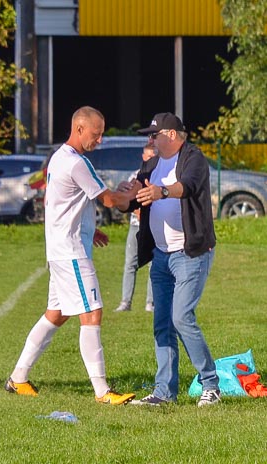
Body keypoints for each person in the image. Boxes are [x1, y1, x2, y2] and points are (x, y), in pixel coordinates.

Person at [5, 106, 136, 405]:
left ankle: (18, 378)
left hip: (62, 248)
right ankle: (102, 392)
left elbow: (66, 202)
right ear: (78, 128)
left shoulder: (59, 158)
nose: (100, 140)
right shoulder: (77, 163)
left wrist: (91, 229)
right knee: (92, 313)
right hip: (71, 252)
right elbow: (109, 199)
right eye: (96, 134)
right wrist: (133, 195)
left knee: (57, 314)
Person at [126, 112, 220, 407]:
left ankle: (211, 385)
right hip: (161, 256)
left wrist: (162, 191)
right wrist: (125, 195)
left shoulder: (193, 158)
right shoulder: (151, 164)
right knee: (162, 323)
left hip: (190, 253)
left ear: (170, 135)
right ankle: (164, 393)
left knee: (181, 317)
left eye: (153, 135)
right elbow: (136, 195)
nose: (149, 140)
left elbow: (188, 186)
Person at [115, 143, 156, 313]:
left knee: (154, 265)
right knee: (130, 263)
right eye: (146, 156)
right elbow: (129, 199)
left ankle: (151, 303)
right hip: (135, 225)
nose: (147, 160)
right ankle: (125, 302)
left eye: (151, 157)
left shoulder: (159, 175)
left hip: (153, 226)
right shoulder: (136, 175)